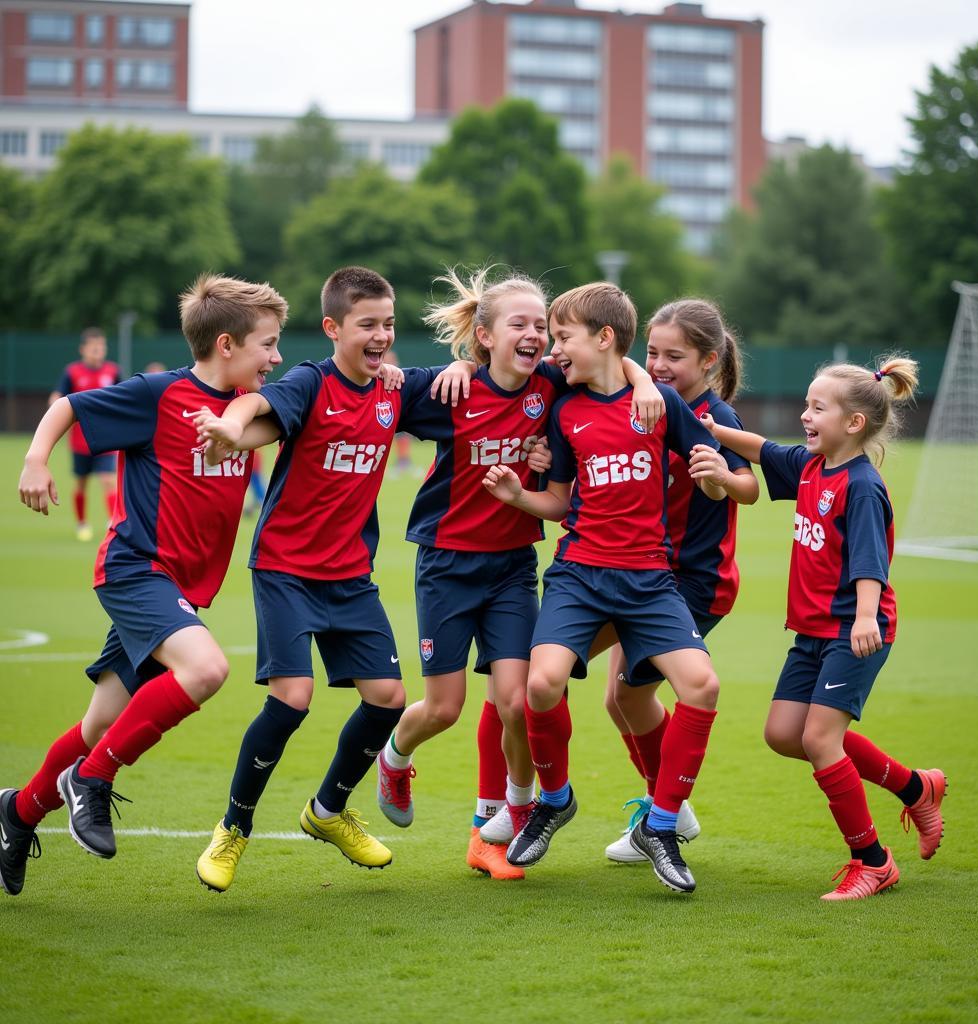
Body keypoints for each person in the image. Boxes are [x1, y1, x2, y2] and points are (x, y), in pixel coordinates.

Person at [1, 275, 288, 896]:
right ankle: (93, 780)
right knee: (207, 669)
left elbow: (316, 402)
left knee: (96, 725)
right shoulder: (162, 394)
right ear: (227, 344)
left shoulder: (248, 413)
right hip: (136, 571)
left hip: (177, 588)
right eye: (268, 344)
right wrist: (34, 459)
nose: (277, 357)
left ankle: (17, 814)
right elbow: (68, 407)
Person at [374, 268, 665, 881]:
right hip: (447, 566)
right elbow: (378, 392)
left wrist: (642, 378)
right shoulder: (448, 390)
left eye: (543, 326)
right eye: (522, 325)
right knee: (444, 709)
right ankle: (394, 758)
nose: (537, 336)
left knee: (516, 700)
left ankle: (506, 819)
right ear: (484, 335)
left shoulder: (553, 384)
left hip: (511, 567)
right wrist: (433, 370)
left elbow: (613, 363)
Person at [192, 266, 431, 894]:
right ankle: (233, 830)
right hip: (286, 570)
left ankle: (327, 810)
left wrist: (459, 369)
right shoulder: (310, 381)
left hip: (351, 575)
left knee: (388, 697)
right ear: (333, 328)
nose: (381, 336)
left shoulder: (395, 391)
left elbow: (464, 386)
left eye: (388, 323)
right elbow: (257, 403)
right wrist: (230, 427)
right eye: (367, 325)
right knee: (292, 697)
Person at [482, 282, 724, 894]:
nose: (555, 349)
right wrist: (518, 496)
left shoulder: (661, 403)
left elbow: (730, 478)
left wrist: (720, 479)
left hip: (649, 578)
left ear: (605, 338)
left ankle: (663, 826)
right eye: (555, 337)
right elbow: (561, 502)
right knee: (540, 682)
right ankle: (554, 800)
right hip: (580, 573)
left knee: (702, 686)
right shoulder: (565, 405)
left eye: (563, 337)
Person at [701, 355, 946, 900]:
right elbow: (763, 450)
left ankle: (873, 861)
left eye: (817, 408)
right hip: (812, 632)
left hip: (855, 631)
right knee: (785, 735)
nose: (805, 416)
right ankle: (915, 787)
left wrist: (863, 618)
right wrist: (712, 428)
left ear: (854, 423)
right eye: (807, 405)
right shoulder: (813, 466)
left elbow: (869, 563)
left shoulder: (860, 485)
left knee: (819, 738)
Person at [602, 299, 759, 863]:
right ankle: (667, 805)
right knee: (616, 698)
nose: (659, 364)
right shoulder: (645, 400)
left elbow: (747, 489)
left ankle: (667, 810)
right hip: (639, 573)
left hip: (694, 582)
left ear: (710, 360)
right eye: (652, 353)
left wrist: (720, 476)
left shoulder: (718, 418)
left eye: (675, 355)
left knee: (629, 693)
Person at [49, 327, 122, 541]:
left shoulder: (113, 371)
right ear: (83, 349)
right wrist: (55, 407)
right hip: (80, 441)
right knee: (81, 483)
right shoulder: (72, 372)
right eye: (93, 347)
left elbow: (124, 396)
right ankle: (82, 523)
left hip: (107, 439)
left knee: (108, 480)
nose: (98, 351)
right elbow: (58, 396)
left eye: (101, 347)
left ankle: (113, 524)